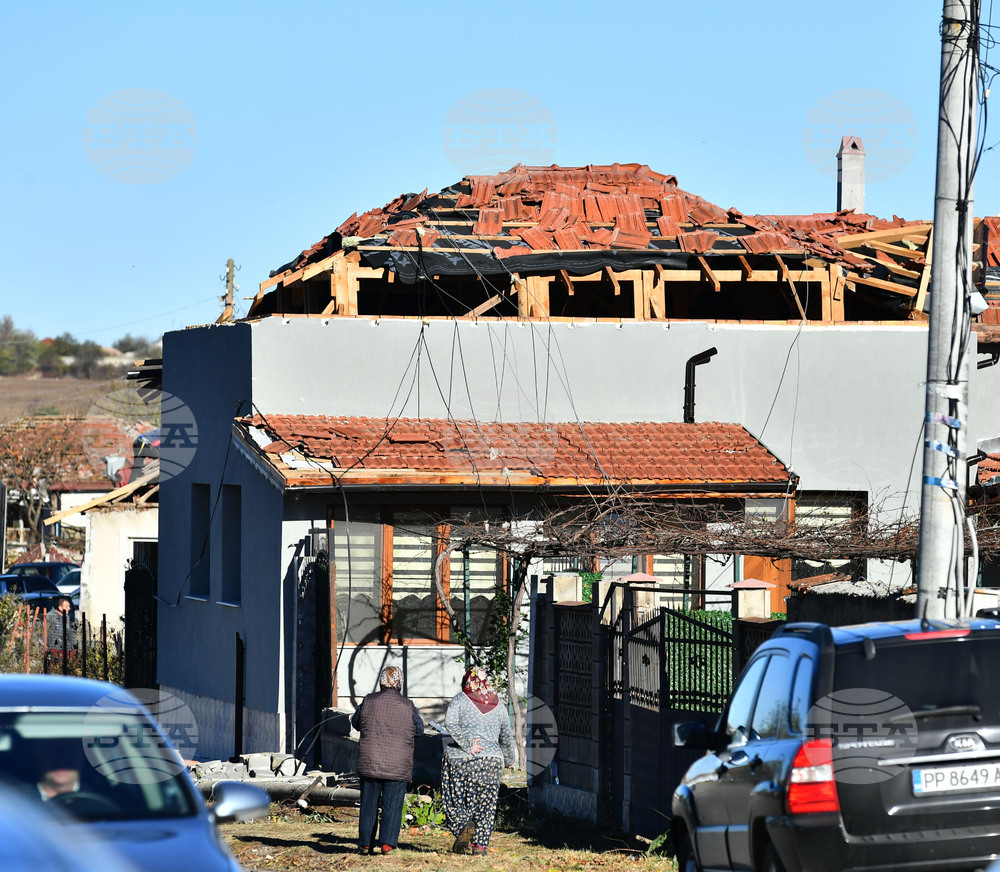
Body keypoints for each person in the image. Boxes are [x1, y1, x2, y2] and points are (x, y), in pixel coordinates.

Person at [442, 666, 515, 857]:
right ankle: (480, 846)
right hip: (492, 760)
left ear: (467, 681)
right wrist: (509, 759)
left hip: (463, 759)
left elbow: (450, 723)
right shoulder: (499, 703)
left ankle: (462, 826)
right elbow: (506, 734)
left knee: (456, 798)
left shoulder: (460, 699)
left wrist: (467, 744)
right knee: (487, 804)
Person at [350, 665, 424, 856]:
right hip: (397, 765)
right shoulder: (408, 705)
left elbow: (356, 722)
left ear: (381, 681)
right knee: (393, 804)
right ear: (400, 682)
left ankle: (365, 844)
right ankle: (387, 844)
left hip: (370, 761)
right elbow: (420, 729)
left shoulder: (368, 700)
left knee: (368, 803)